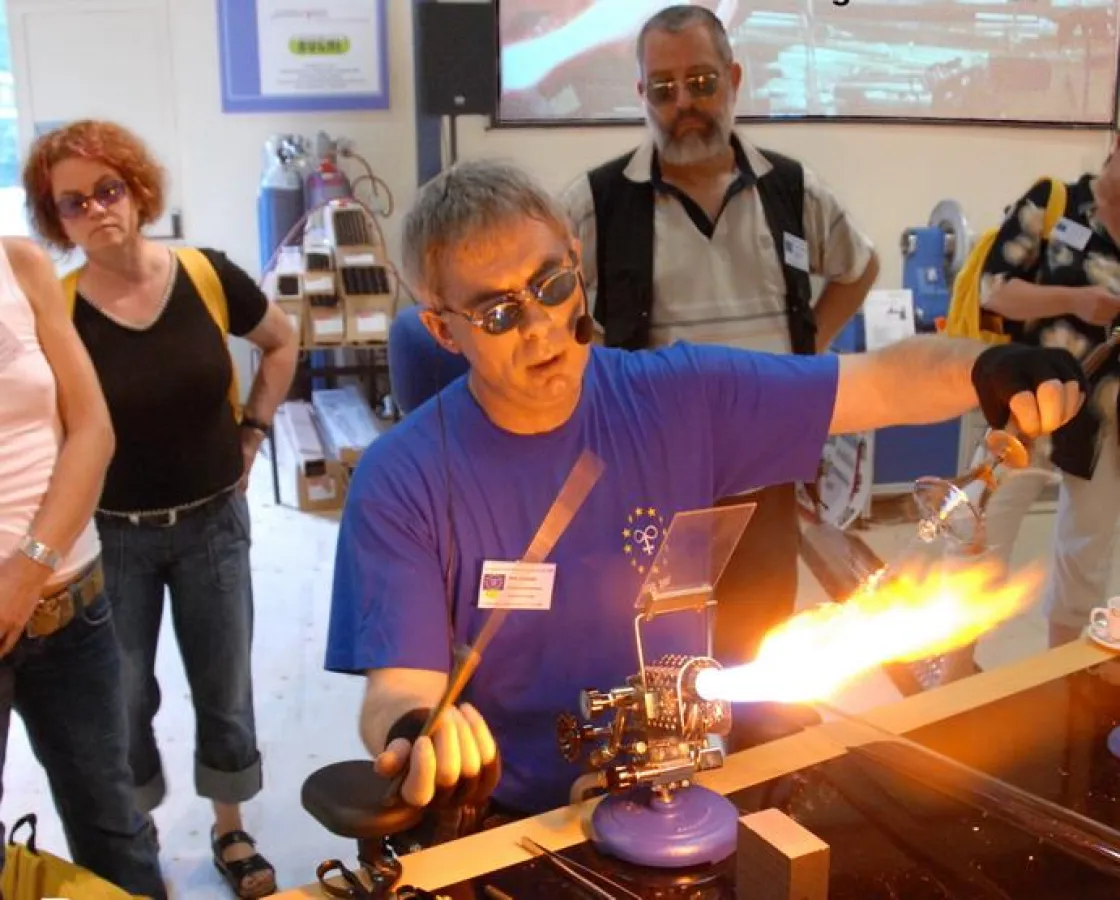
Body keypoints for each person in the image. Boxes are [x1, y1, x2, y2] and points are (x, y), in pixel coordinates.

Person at [325, 158, 1084, 825]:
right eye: (498, 313)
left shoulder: (678, 398)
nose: (542, 329)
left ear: (577, 263)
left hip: (683, 794)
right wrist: (420, 728)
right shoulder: (404, 478)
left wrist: (985, 369)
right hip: (516, 817)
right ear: (444, 330)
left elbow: (876, 384)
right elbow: (398, 689)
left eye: (552, 284)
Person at [559, 5, 879, 687]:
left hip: (765, 465)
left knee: (757, 634)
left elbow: (860, 267)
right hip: (653, 472)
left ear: (734, 79)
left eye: (702, 82)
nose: (686, 105)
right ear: (642, 95)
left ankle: (755, 770)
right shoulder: (597, 203)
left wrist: (807, 347)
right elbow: (550, 302)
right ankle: (671, 776)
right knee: (655, 638)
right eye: (665, 88)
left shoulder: (791, 190)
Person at [22, 120, 299, 899]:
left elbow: (281, 342)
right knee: (121, 697)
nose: (97, 210)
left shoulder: (205, 275)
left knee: (223, 682)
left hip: (214, 524)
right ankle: (135, 834)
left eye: (108, 189)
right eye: (74, 203)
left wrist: (254, 431)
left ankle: (229, 826)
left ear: (138, 191)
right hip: (110, 540)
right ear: (58, 221)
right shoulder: (62, 308)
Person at [0, 235, 165, 897]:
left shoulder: (19, 264)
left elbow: (92, 427)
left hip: (73, 606)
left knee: (113, 828)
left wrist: (26, 569)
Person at [975, 133, 1120, 649]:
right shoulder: (1055, 203)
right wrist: (1076, 299)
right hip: (1026, 402)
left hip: (1103, 421)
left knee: (1088, 550)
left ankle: (1059, 679)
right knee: (985, 534)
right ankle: (948, 674)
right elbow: (994, 291)